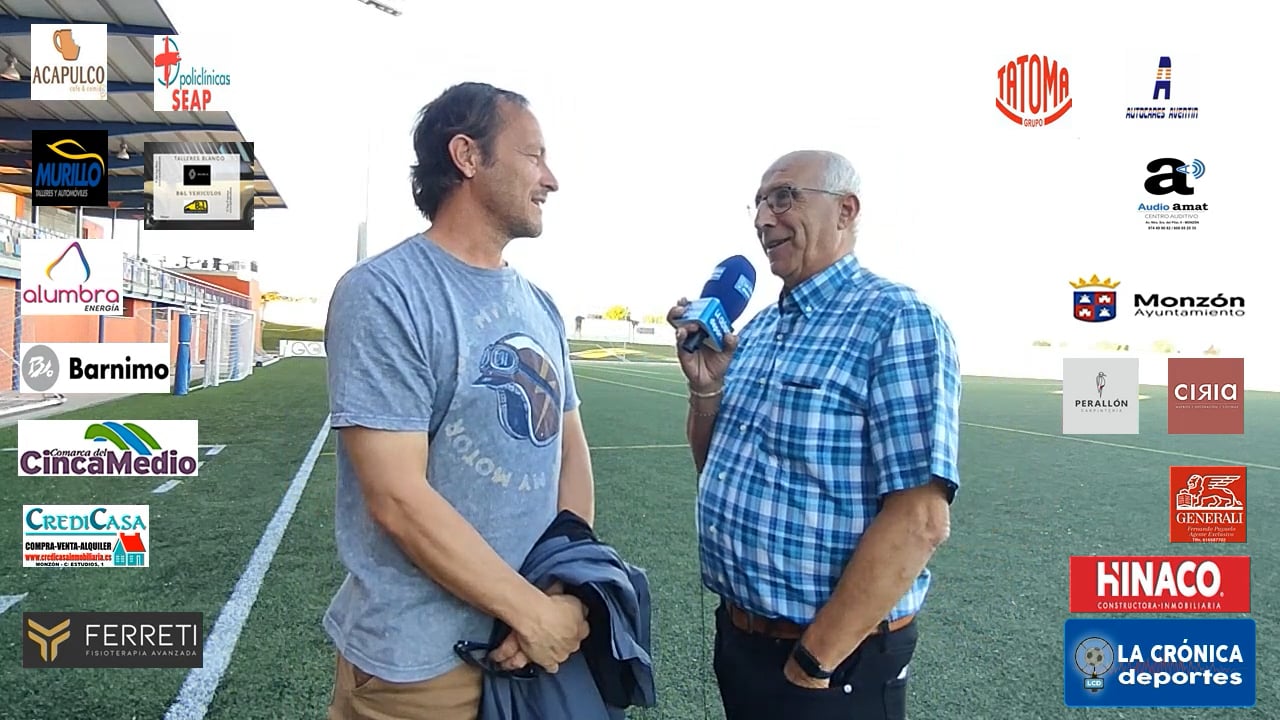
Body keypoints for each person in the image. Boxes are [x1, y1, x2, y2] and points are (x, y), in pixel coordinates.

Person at [323, 82, 595, 720]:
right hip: (423, 669)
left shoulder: (541, 306)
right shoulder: (386, 293)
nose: (550, 178)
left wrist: (564, 586)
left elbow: (570, 456)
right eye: (533, 155)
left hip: (528, 651)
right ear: (468, 157)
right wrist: (533, 613)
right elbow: (396, 498)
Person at [668, 150, 961, 720]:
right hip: (742, 639)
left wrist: (815, 660)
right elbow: (718, 468)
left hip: (831, 661)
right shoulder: (756, 330)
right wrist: (706, 390)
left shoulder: (895, 320)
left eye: (783, 197)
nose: (762, 218)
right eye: (757, 203)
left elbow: (920, 519)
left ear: (845, 211)